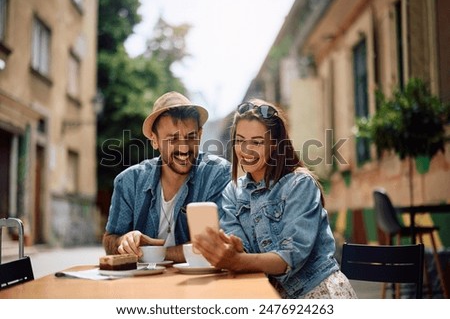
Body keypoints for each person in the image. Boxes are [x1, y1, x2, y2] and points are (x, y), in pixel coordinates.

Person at [192, 99, 357, 298]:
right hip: (270, 296)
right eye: (240, 140)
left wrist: (237, 260)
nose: (245, 150)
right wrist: (232, 249)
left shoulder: (300, 184)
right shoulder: (232, 192)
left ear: (275, 144)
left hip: (318, 292)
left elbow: (290, 256)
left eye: (257, 142)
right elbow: (242, 253)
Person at [103, 91, 231, 262]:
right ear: (154, 141)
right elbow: (110, 239)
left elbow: (217, 246)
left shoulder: (218, 174)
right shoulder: (128, 181)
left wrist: (152, 253)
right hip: (144, 286)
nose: (184, 148)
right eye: (173, 139)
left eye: (191, 137)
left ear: (200, 135)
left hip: (200, 283)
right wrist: (122, 241)